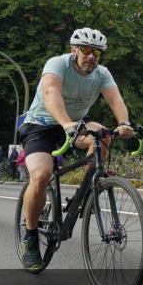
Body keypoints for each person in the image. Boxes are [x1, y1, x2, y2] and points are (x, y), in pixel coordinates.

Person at [18, 27, 135, 271]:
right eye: (86, 50)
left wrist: (124, 124)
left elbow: (116, 100)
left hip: (75, 125)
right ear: (75, 50)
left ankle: (89, 189)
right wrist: (66, 123)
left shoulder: (102, 74)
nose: (91, 56)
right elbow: (50, 93)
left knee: (103, 135)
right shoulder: (58, 64)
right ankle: (30, 238)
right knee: (40, 176)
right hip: (42, 125)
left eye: (97, 53)